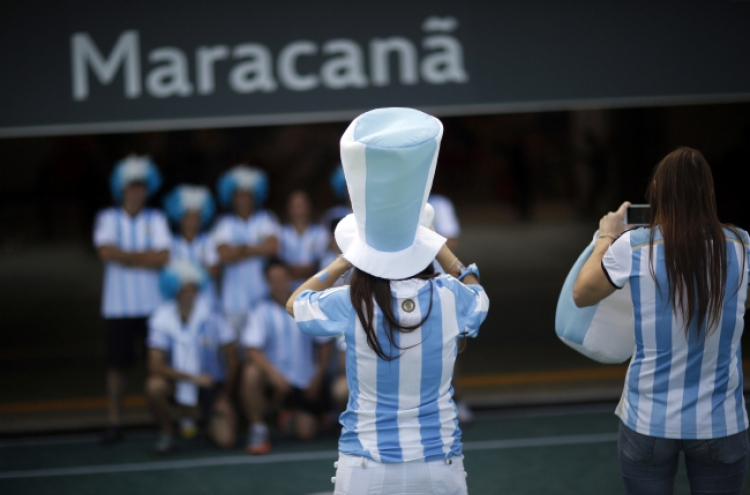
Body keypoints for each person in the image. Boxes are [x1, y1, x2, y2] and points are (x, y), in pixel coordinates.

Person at [288, 108, 489, 494]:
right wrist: (438, 245)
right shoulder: (450, 297)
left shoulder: (351, 300)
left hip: (366, 466)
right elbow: (478, 292)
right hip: (439, 464)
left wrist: (345, 259)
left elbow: (297, 302)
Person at [573, 147, 750, 495]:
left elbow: (582, 294)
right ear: (709, 193)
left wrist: (607, 236)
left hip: (648, 420)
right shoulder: (742, 245)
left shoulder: (634, 245)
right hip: (721, 421)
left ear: (656, 191)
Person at [93, 155, 171, 444]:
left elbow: (163, 257)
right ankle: (115, 421)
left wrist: (125, 257)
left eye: (141, 186)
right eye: (131, 187)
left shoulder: (158, 218)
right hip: (118, 307)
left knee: (157, 366)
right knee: (117, 366)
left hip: (154, 307)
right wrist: (144, 258)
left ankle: (163, 420)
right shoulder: (107, 218)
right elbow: (105, 253)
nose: (136, 192)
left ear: (147, 189)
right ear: (121, 189)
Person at [240, 258, 333, 454]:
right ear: (267, 282)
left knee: (305, 434)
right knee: (251, 373)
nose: (279, 283)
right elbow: (251, 349)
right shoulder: (260, 310)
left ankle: (283, 416)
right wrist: (274, 374)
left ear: (290, 278)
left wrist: (318, 376)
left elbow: (323, 344)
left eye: (283, 278)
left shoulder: (306, 306)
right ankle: (258, 428)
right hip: (274, 380)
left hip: (303, 380)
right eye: (274, 279)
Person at [145, 260, 238, 454]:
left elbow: (232, 358)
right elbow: (155, 366)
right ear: (174, 290)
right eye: (183, 289)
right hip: (178, 384)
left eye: (192, 289)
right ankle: (169, 431)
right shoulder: (161, 318)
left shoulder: (213, 314)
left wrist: (223, 395)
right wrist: (194, 379)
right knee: (154, 387)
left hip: (212, 385)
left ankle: (203, 420)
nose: (189, 294)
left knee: (226, 440)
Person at [212, 165, 280, 337]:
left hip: (261, 297)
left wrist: (241, 249)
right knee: (234, 348)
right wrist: (257, 248)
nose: (243, 200)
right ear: (232, 198)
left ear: (254, 197)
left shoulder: (266, 218)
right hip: (232, 301)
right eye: (239, 195)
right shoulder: (224, 223)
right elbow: (223, 255)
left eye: (247, 195)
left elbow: (273, 247)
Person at [427, 192, 473, 424]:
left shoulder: (440, 204)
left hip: (437, 285)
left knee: (447, 346)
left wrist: (422, 238)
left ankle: (457, 401)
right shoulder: (390, 199)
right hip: (400, 285)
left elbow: (451, 241)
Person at [163, 184, 220, 306]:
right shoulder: (170, 242)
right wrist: (201, 268)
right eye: (188, 217)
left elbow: (215, 270)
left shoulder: (209, 240)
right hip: (177, 304)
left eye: (196, 217)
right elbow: (168, 274)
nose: (191, 222)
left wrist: (184, 271)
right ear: (180, 218)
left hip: (207, 301)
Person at [278, 190, 329, 288]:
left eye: (302, 206)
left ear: (308, 207)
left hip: (315, 287)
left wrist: (300, 270)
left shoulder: (321, 233)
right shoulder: (281, 232)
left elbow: (321, 263)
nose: (299, 210)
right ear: (289, 208)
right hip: (288, 289)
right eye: (295, 206)